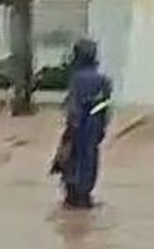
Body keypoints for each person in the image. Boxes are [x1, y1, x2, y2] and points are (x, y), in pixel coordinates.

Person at [50, 38, 112, 209]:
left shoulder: (77, 79)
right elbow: (105, 110)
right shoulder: (104, 81)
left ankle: (73, 202)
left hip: (78, 128)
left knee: (72, 164)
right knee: (89, 163)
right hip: (94, 129)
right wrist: (101, 130)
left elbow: (73, 108)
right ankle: (84, 199)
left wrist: (69, 133)